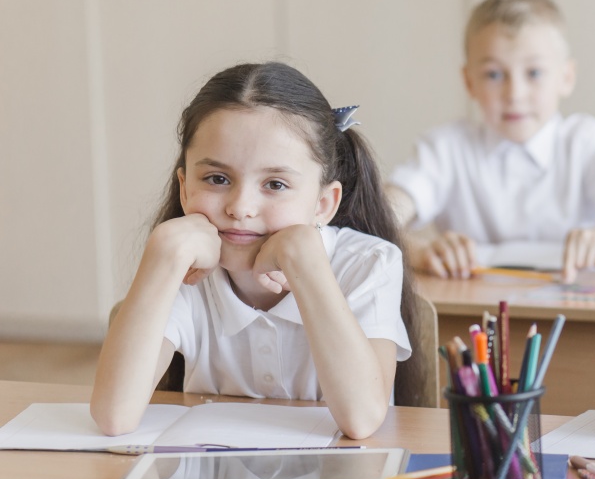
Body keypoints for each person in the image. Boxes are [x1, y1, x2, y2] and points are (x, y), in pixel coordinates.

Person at [91, 62, 414, 440]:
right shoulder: (184, 268)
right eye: (217, 179)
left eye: (275, 184)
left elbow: (362, 419)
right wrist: (163, 253)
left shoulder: (370, 263)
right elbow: (114, 416)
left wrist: (306, 264)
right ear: (184, 187)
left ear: (324, 203)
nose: (240, 207)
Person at [386, 0, 595, 283]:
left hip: (580, 309)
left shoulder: (588, 143)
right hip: (471, 310)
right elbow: (376, 218)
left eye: (534, 73)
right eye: (494, 75)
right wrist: (419, 251)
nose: (515, 94)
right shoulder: (445, 148)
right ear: (469, 81)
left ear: (566, 77)